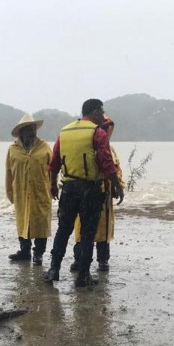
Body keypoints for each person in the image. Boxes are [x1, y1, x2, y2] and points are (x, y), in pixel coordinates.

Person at [44, 99, 124, 287]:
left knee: (63, 230)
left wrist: (53, 185)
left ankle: (53, 269)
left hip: (69, 188)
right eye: (102, 112)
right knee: (88, 233)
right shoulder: (98, 132)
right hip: (90, 189)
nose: (103, 116)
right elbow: (106, 163)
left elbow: (54, 163)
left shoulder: (65, 132)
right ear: (95, 112)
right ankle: (84, 275)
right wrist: (117, 187)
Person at [69, 115, 125, 272]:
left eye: (108, 129)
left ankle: (103, 260)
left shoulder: (110, 150)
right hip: (86, 192)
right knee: (81, 228)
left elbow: (116, 169)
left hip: (105, 194)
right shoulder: (84, 147)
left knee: (103, 231)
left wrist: (117, 185)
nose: (106, 132)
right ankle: (79, 259)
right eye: (103, 128)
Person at [5, 114, 53, 265]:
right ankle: (24, 252)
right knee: (22, 221)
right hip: (21, 193)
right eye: (27, 130)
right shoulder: (13, 149)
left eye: (33, 129)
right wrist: (10, 192)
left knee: (41, 224)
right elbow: (8, 172)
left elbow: (53, 169)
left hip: (41, 193)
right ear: (21, 132)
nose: (31, 132)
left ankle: (38, 254)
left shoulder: (44, 147)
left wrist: (54, 187)